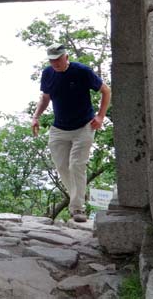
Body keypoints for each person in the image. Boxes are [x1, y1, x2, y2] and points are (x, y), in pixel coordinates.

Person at [31, 43, 111, 223]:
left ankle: (77, 208)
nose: (55, 63)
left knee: (76, 165)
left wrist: (100, 116)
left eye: (58, 59)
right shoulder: (47, 73)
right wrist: (36, 116)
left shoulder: (81, 71)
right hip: (59, 127)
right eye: (52, 60)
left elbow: (106, 90)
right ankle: (78, 195)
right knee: (61, 166)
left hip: (83, 126)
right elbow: (45, 97)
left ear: (66, 57)